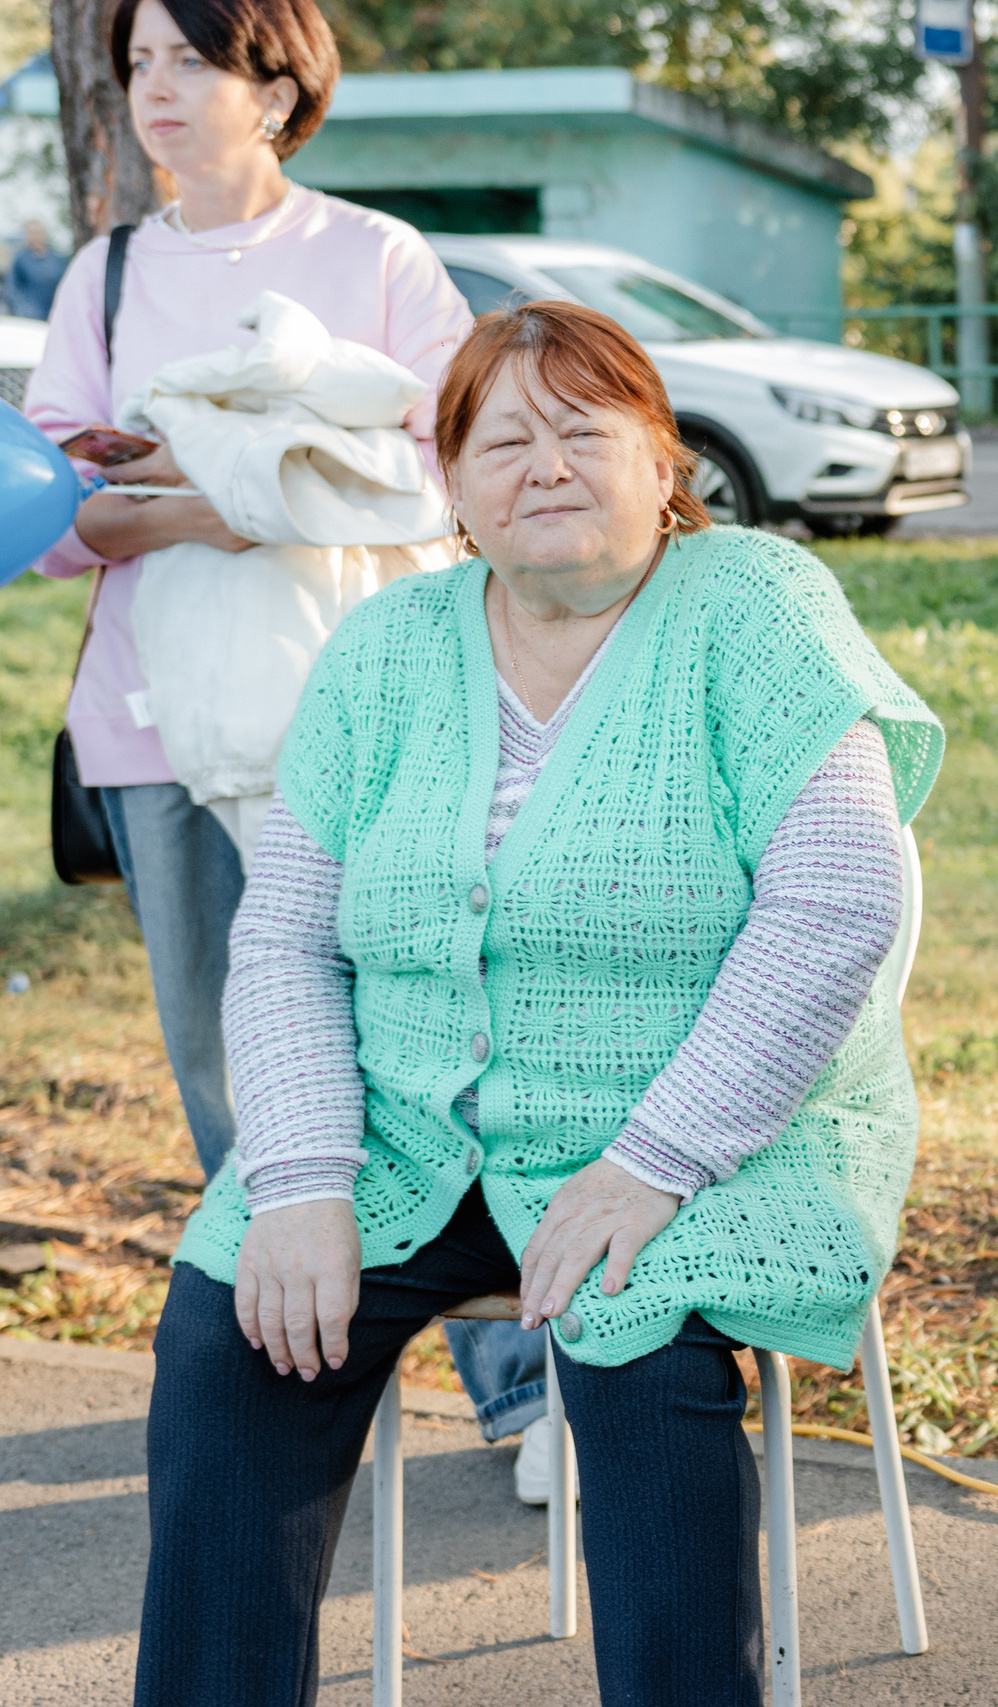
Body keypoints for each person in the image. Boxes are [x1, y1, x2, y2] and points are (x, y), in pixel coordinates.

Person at [137, 299, 941, 1706]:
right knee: (236, 1317)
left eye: (585, 427)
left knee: (637, 1332)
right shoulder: (387, 648)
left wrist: (652, 1162)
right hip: (406, 1130)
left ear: (661, 455)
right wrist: (305, 1175)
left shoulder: (752, 602)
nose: (546, 462)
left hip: (711, 1131)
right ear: (451, 485)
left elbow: (839, 903)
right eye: (503, 438)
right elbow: (284, 939)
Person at [15, 0, 580, 1496]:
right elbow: (64, 505)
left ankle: (525, 1388)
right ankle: (296, 1378)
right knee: (228, 1063)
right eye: (135, 62)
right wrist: (254, 486)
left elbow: (453, 457)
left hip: (367, 726)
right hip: (149, 724)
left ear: (275, 86)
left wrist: (202, 483)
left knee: (429, 1038)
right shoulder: (111, 269)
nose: (153, 89)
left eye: (188, 59)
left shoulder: (374, 257)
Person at [6, 220, 68, 320]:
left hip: (53, 315)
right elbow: (12, 289)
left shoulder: (56, 258)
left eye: (38, 232)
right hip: (29, 318)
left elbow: (63, 285)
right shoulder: (20, 259)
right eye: (32, 233)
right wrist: (23, 311)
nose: (36, 236)